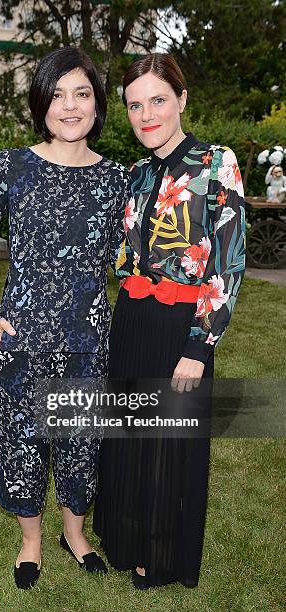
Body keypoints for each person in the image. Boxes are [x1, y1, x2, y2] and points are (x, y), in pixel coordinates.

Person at [0, 47, 129, 589]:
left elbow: (131, 256)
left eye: (82, 93)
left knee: (80, 445)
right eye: (56, 94)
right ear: (41, 102)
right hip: (21, 340)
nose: (70, 105)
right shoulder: (10, 166)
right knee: (20, 446)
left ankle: (74, 535)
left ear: (97, 104)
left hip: (87, 341)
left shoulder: (115, 180)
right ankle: (31, 540)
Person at [93, 53, 246, 589]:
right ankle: (126, 539)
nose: (146, 114)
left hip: (182, 325)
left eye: (158, 100)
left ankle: (157, 556)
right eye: (135, 105)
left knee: (167, 445)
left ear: (181, 100)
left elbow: (229, 261)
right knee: (130, 438)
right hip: (131, 318)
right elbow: (120, 254)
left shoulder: (215, 162)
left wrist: (200, 346)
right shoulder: (134, 173)